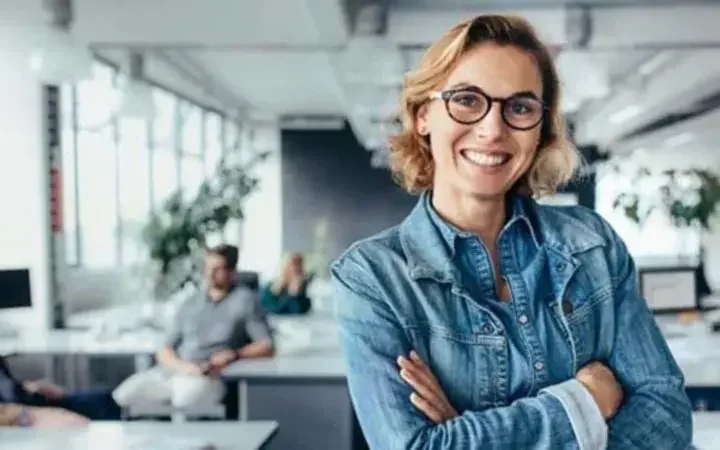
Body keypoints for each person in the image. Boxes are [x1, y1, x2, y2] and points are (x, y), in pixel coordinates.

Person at [331, 14, 692, 450]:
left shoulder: (591, 246)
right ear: (423, 114)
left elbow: (668, 421)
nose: (492, 129)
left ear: (540, 130)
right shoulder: (373, 277)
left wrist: (464, 431)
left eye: (520, 107)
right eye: (467, 100)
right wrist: (584, 402)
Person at [112, 244, 274, 411]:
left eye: (217, 269)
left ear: (232, 273)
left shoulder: (245, 301)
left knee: (184, 400)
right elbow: (165, 349)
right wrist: (183, 367)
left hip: (209, 376)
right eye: (208, 267)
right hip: (176, 371)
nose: (210, 274)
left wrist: (234, 355)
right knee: (123, 395)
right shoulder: (190, 302)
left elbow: (266, 346)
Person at [0, 356, 120, 426]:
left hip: (27, 400)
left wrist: (27, 386)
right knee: (101, 406)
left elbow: (6, 386)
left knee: (102, 398)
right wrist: (26, 416)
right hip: (22, 416)